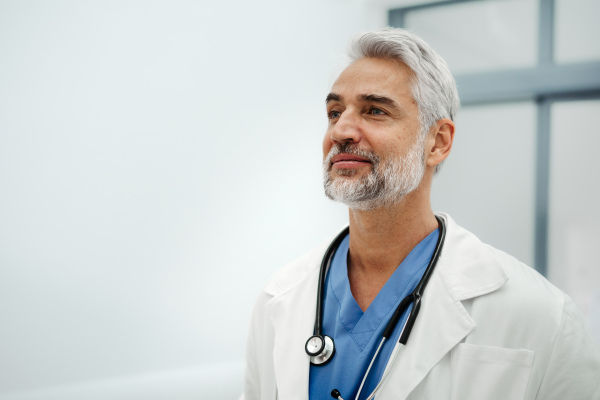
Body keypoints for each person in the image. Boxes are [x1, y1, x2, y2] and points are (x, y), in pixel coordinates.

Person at [242, 28, 600, 400]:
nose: (342, 130)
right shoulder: (279, 298)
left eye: (375, 110)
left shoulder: (541, 315)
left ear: (438, 142)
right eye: (334, 112)